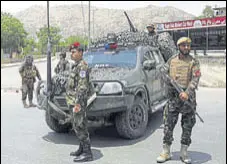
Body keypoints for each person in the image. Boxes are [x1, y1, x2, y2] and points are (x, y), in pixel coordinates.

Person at [156, 37, 201, 164]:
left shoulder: (194, 62)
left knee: (187, 127)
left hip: (188, 100)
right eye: (183, 45)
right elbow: (163, 71)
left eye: (188, 45)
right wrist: (170, 82)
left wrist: (187, 93)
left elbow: (195, 79)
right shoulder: (172, 60)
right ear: (178, 47)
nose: (186, 48)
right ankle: (166, 151)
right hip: (173, 99)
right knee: (168, 126)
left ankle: (184, 152)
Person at [65, 42, 93, 162]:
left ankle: (87, 153)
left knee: (80, 125)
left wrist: (78, 104)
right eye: (71, 52)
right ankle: (81, 148)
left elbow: (82, 87)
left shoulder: (82, 66)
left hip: (78, 102)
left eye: (74, 52)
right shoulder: (76, 65)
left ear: (80, 52)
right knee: (77, 125)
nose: (72, 54)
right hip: (73, 100)